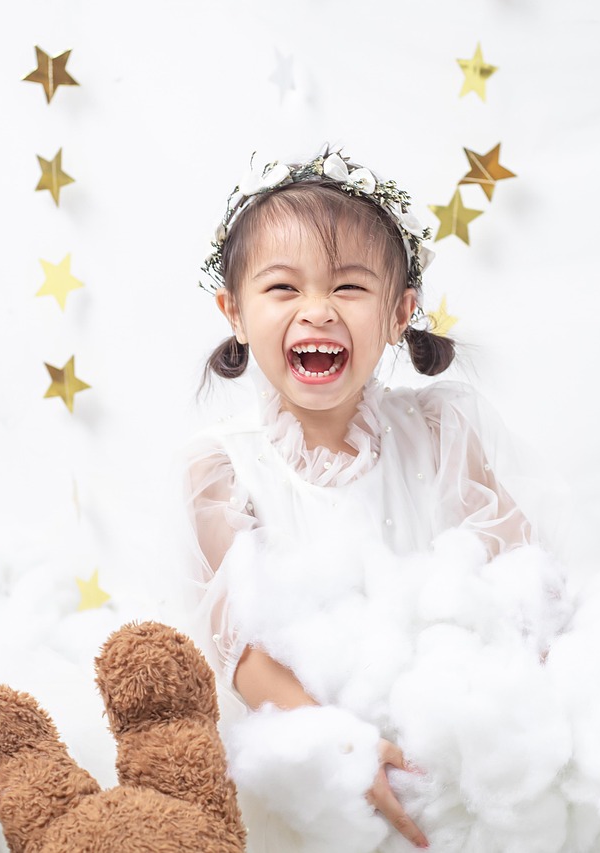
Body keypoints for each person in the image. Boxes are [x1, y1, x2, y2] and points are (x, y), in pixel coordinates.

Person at [184, 150, 546, 852]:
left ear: (399, 312)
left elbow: (520, 568)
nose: (317, 309)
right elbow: (239, 648)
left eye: (349, 286)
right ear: (234, 311)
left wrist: (519, 692)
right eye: (282, 287)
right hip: (308, 742)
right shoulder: (222, 467)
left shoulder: (440, 431)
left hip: (447, 739)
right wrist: (338, 742)